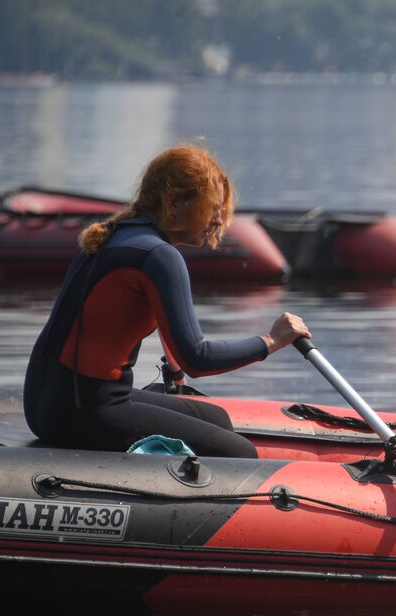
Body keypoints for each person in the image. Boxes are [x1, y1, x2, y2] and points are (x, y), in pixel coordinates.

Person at [23, 144, 310, 458]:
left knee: (216, 419)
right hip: (83, 410)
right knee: (238, 454)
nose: (217, 220)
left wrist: (173, 372)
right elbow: (197, 358)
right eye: (211, 207)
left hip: (44, 399)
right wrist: (270, 341)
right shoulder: (160, 256)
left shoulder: (115, 232)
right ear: (174, 202)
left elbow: (125, 315)